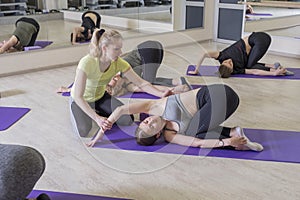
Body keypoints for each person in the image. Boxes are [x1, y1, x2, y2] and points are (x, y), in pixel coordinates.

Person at [87, 84, 264, 152]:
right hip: (224, 106)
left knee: (195, 130)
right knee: (196, 134)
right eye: (148, 126)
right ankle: (235, 135)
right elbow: (197, 143)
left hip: (219, 93)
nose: (147, 121)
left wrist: (100, 133)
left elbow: (119, 109)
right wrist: (227, 143)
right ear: (157, 135)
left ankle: (234, 136)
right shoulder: (170, 134)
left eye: (144, 122)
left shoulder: (152, 106)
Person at [70, 29, 173, 138]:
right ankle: (92, 112)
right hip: (79, 101)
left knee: (127, 119)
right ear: (104, 48)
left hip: (100, 97)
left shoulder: (119, 63)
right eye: (116, 49)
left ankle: (97, 110)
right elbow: (78, 96)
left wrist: (160, 94)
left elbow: (141, 83)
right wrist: (97, 118)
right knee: (83, 131)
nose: (121, 53)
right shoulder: (87, 63)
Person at [188, 32, 294, 78]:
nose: (229, 61)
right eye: (230, 64)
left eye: (226, 62)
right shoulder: (237, 69)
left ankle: (274, 68)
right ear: (232, 70)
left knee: (249, 64)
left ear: (221, 63)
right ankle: (275, 69)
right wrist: (273, 75)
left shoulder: (221, 56)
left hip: (259, 38)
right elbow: (255, 72)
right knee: (250, 66)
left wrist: (196, 70)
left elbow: (204, 53)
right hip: (261, 43)